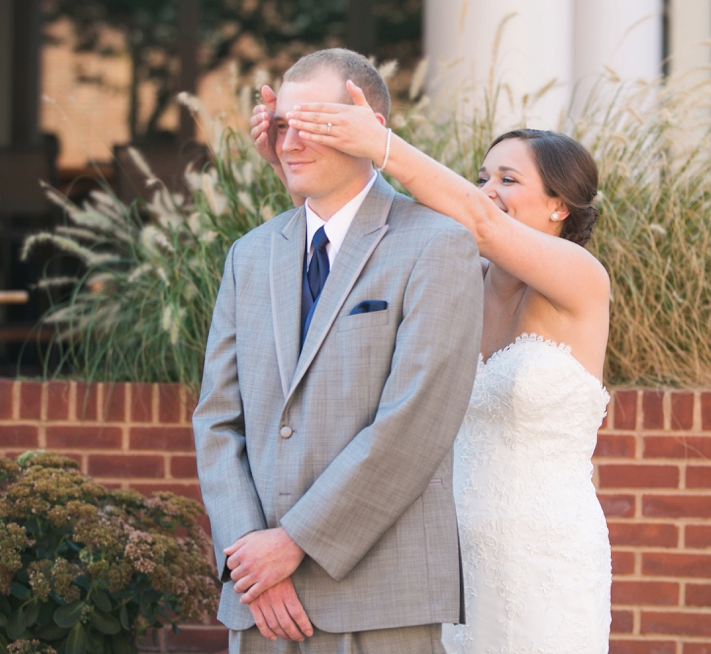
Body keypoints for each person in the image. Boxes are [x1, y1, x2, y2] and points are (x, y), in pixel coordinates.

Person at [250, 77, 612, 652]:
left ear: (559, 205)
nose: (487, 191)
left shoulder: (582, 280)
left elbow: (483, 223)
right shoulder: (455, 271)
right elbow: (364, 232)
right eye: (482, 178)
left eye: (509, 179)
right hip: (447, 552)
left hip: (546, 554)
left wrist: (379, 141)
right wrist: (297, 160)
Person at [194, 48, 483, 654]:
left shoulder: (437, 245)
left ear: (364, 125)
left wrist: (293, 542)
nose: (289, 142)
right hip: (261, 605)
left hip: (379, 597)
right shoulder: (248, 255)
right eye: (281, 125)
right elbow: (218, 420)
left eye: (313, 123)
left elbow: (417, 419)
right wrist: (252, 559)